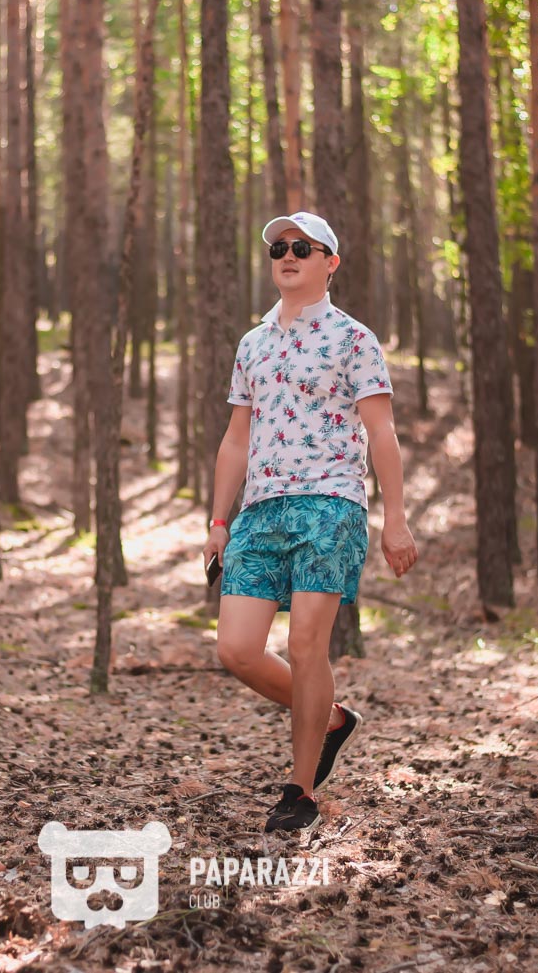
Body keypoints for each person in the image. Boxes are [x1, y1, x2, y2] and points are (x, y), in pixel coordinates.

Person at [203, 210, 418, 833]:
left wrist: (395, 520)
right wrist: (219, 519)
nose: (289, 256)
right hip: (260, 510)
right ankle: (331, 718)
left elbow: (382, 432)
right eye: (279, 249)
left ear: (331, 262)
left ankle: (299, 791)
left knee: (305, 646)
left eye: (303, 247)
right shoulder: (252, 344)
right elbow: (236, 439)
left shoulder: (354, 339)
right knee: (237, 649)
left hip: (330, 504)